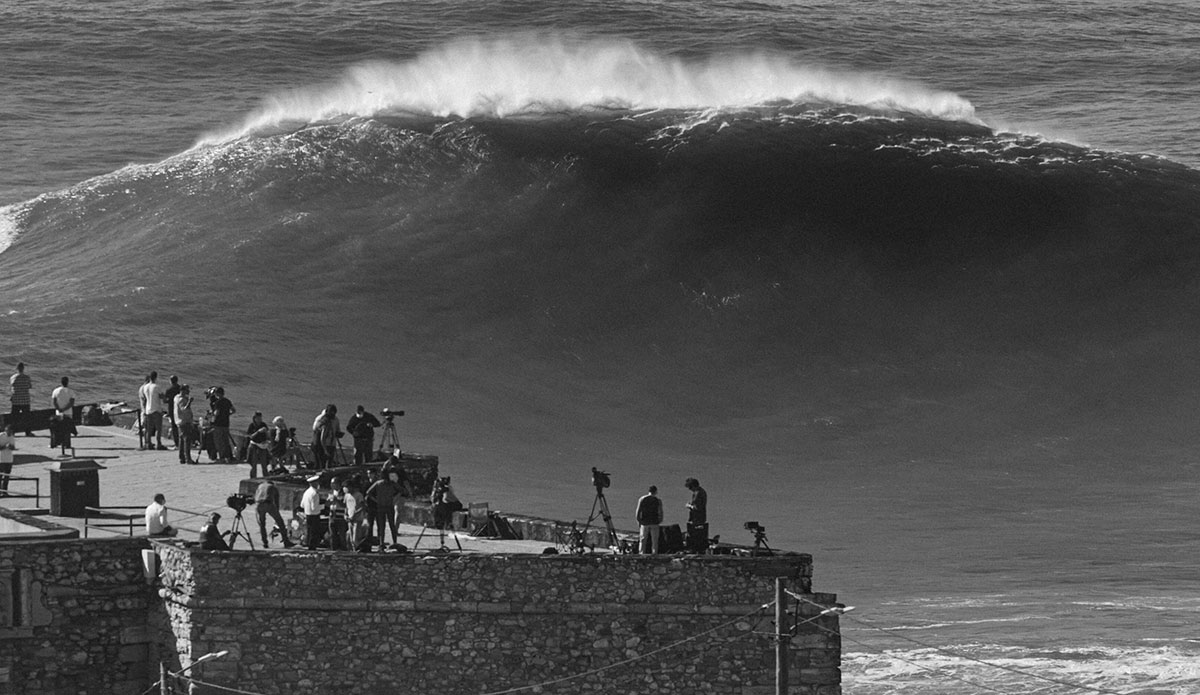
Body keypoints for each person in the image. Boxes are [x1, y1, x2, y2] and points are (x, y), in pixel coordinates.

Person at [253, 478, 295, 548]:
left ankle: (265, 543)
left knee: (262, 524)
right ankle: (286, 541)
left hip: (258, 504)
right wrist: (276, 514)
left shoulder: (260, 486)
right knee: (280, 522)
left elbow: (255, 497)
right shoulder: (273, 487)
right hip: (268, 503)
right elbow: (276, 501)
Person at [367, 469, 401, 549]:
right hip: (385, 506)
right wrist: (394, 498)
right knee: (387, 525)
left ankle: (383, 543)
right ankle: (387, 542)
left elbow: (368, 493)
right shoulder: (384, 483)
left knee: (383, 525)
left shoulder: (380, 483)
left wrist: (376, 500)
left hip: (383, 506)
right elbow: (401, 491)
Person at [138, 371, 166, 451]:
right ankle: (158, 444)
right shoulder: (156, 387)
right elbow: (162, 397)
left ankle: (148, 443)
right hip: (156, 409)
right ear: (156, 377)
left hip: (148, 409)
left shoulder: (145, 387)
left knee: (148, 429)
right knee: (158, 428)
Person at [50, 377, 77, 454]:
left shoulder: (56, 391)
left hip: (58, 413)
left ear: (61, 382)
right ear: (67, 382)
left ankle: (57, 442)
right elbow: (71, 403)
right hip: (68, 412)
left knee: (58, 429)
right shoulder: (71, 391)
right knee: (67, 429)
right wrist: (64, 409)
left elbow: (54, 402)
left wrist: (59, 409)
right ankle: (67, 444)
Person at [208, 387, 235, 464]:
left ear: (217, 394)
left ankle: (222, 457)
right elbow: (233, 410)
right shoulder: (227, 401)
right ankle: (228, 457)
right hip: (226, 423)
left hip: (218, 424)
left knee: (219, 442)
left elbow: (216, 413)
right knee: (226, 441)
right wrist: (228, 414)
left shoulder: (218, 402)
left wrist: (212, 415)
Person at [311, 404, 342, 469]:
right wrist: (325, 449)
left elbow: (337, 429)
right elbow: (316, 431)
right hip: (320, 444)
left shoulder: (335, 419)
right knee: (320, 463)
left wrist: (337, 433)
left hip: (331, 443)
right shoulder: (321, 419)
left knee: (330, 462)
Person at [635, 485, 663, 555]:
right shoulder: (658, 500)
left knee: (643, 539)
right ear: (656, 491)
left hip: (644, 522)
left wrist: (638, 520)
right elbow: (660, 511)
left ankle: (641, 553)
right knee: (655, 540)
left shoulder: (642, 499)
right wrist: (660, 520)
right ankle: (654, 553)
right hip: (654, 522)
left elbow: (638, 511)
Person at [684, 477, 708, 553]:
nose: (690, 489)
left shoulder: (698, 493)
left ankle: (694, 549)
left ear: (693, 486)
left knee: (694, 534)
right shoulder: (701, 491)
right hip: (699, 517)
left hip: (697, 518)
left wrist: (689, 506)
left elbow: (697, 507)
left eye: (690, 487)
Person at [9, 362, 33, 436]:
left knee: (14, 417)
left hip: (16, 400)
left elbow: (12, 387)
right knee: (27, 417)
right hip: (25, 400)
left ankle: (12, 432)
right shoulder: (27, 377)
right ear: (23, 368)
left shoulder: (13, 377)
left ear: (17, 368)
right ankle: (28, 432)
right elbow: (30, 386)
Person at [174, 385, 196, 464]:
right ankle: (188, 459)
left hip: (179, 421)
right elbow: (184, 409)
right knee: (187, 440)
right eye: (187, 390)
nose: (188, 391)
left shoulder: (176, 397)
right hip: (184, 421)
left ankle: (182, 457)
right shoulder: (181, 400)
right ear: (183, 390)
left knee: (181, 440)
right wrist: (189, 401)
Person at [245, 412, 271, 478]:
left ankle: (266, 477)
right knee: (254, 462)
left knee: (264, 463)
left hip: (262, 445)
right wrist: (258, 432)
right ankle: (253, 477)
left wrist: (266, 432)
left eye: (260, 418)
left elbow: (268, 435)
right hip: (254, 444)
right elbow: (250, 436)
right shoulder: (252, 425)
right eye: (258, 418)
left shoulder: (263, 424)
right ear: (255, 418)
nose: (259, 419)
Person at [301, 474, 323, 550]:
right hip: (314, 515)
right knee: (314, 532)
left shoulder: (306, 492)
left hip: (307, 514)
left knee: (309, 531)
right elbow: (314, 508)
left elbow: (302, 505)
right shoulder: (315, 493)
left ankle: (309, 546)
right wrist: (324, 506)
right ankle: (312, 547)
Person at [326, 477, 348, 551]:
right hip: (332, 515)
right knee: (332, 535)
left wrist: (337, 500)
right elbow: (328, 504)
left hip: (340, 516)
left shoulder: (344, 493)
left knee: (342, 535)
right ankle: (333, 549)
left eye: (333, 483)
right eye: (331, 483)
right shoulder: (331, 492)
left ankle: (344, 550)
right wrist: (328, 502)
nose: (332, 485)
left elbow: (345, 505)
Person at [162, 375, 181, 448]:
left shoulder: (169, 390)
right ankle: (182, 442)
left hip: (172, 409)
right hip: (180, 409)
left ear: (170, 381)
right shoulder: (180, 388)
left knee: (174, 426)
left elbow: (165, 401)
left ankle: (177, 443)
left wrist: (165, 398)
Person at [0, 424, 15, 495]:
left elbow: (13, 447)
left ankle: (5, 491)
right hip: (1, 459)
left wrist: (11, 447)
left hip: (9, 460)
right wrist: (5, 446)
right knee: (0, 476)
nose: (9, 433)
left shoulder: (12, 437)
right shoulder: (1, 436)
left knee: (7, 477)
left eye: (10, 432)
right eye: (8, 431)